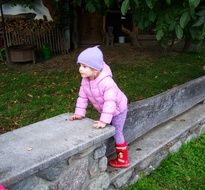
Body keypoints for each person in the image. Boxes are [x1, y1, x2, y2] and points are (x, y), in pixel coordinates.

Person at [70, 46, 129, 168]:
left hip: (118, 109)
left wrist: (103, 120)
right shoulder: (85, 80)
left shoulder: (106, 82)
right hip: (106, 109)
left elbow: (110, 102)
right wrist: (79, 113)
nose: (80, 69)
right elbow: (82, 97)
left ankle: (123, 159)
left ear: (95, 69)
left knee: (117, 132)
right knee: (106, 128)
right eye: (80, 65)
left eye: (84, 66)